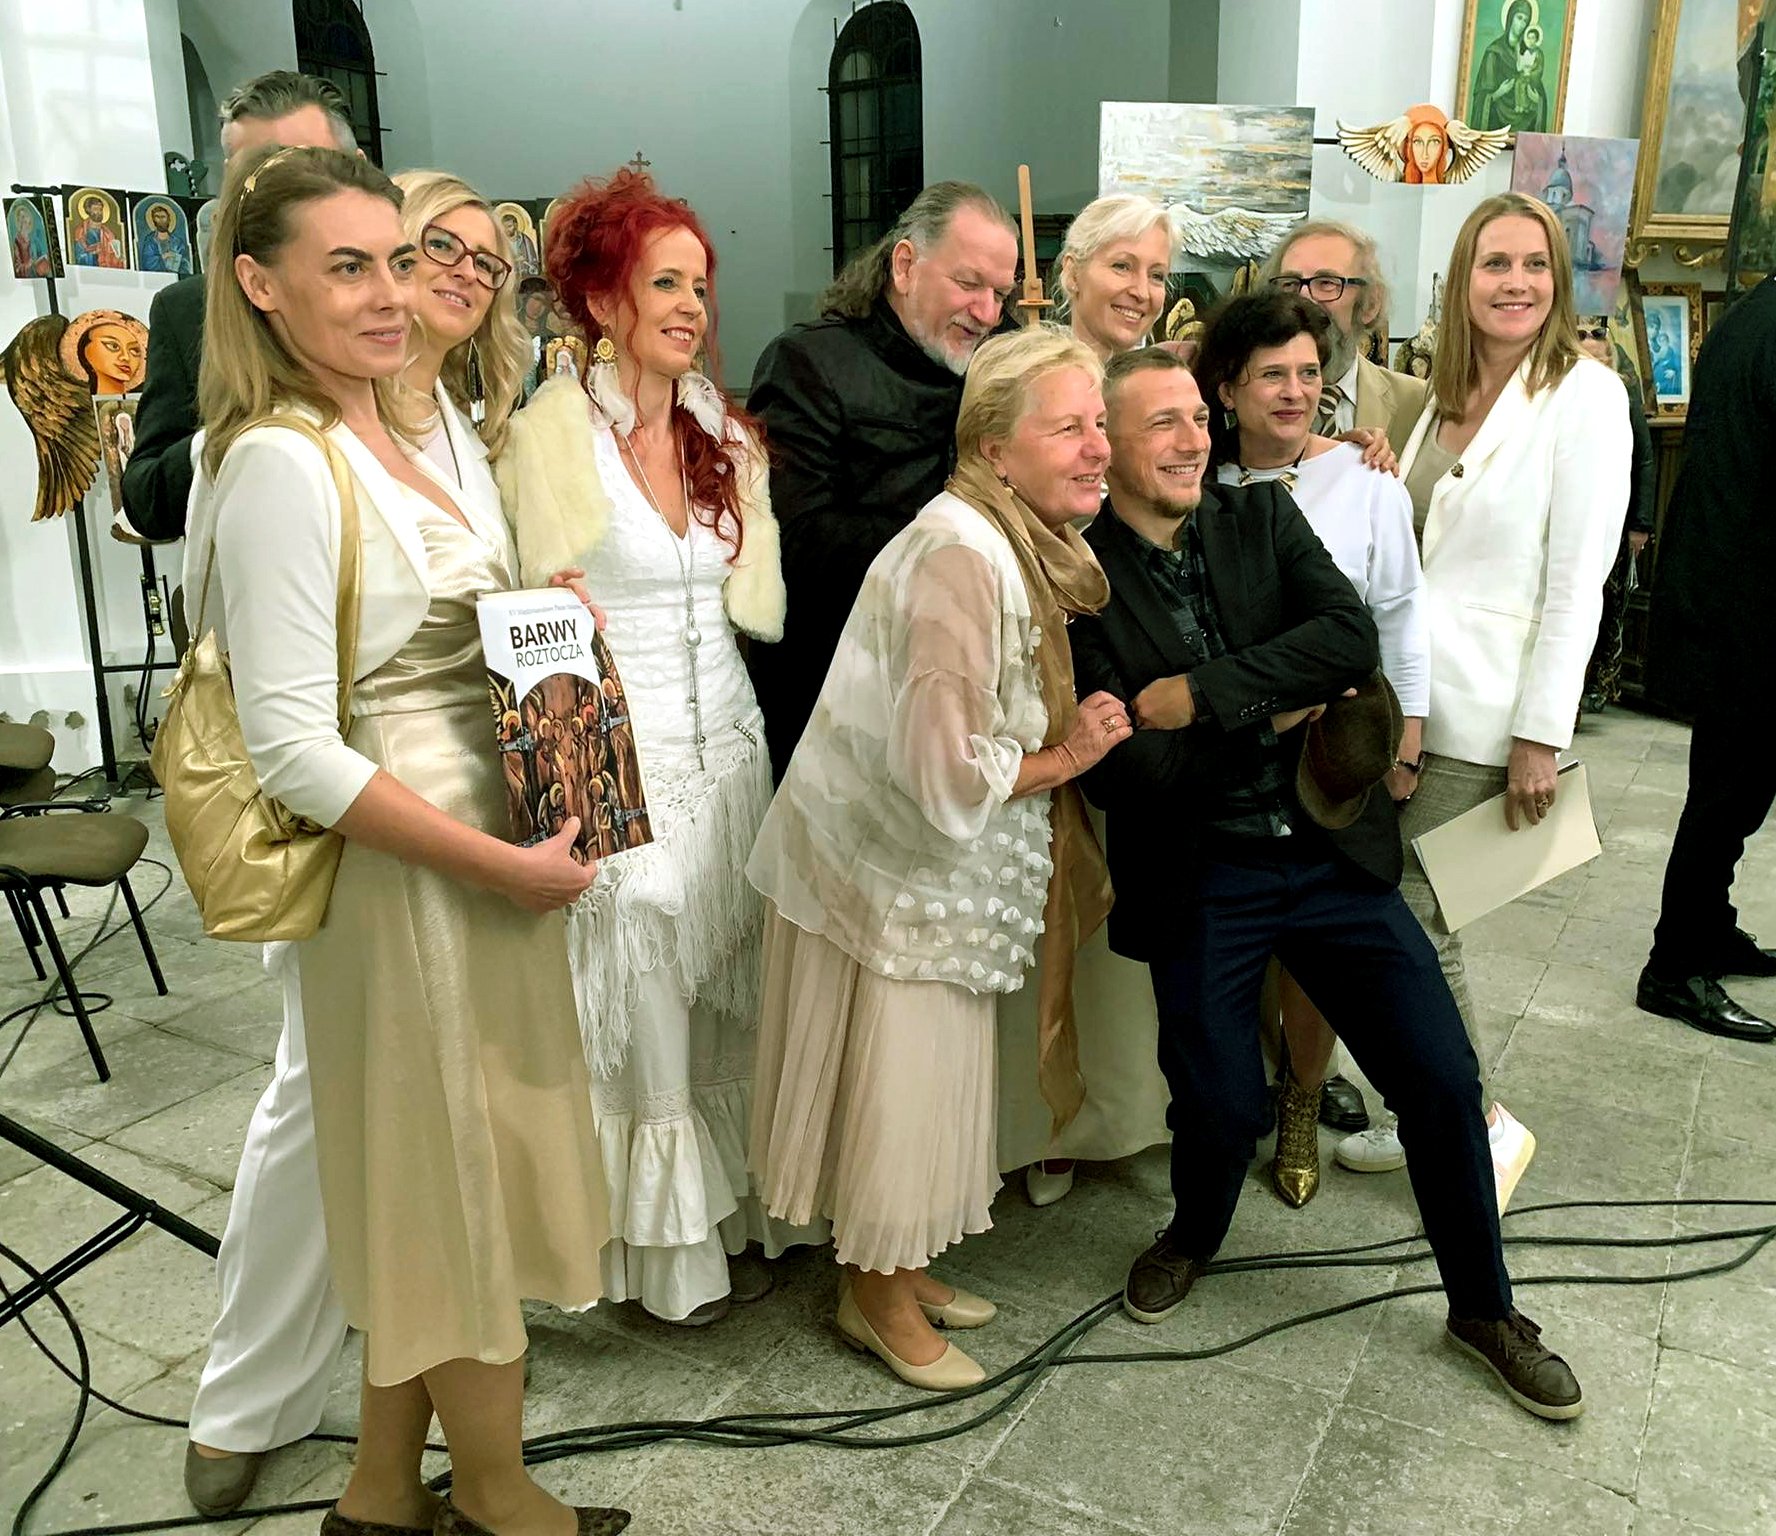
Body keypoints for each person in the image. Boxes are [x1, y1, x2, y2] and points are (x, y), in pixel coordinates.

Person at [184, 143, 627, 1536]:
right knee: (447, 1189)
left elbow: (457, 629)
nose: (389, 292)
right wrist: (502, 867)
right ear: (261, 287)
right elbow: (294, 750)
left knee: (440, 1182)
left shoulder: (415, 429)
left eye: (396, 259)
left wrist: (550, 626)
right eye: (347, 267)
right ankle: (498, 1498)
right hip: (411, 874)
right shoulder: (277, 462)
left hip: (480, 843)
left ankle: (380, 1495)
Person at [1073, 345, 1583, 1422]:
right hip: (1202, 874)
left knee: (1440, 1079)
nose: (1191, 440)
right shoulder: (1083, 580)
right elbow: (1128, 774)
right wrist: (1278, 704)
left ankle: (1484, 1309)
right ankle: (1192, 1235)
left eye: (1194, 418)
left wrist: (1202, 696)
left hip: (1327, 854)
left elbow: (1350, 642)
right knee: (1220, 1109)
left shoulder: (1262, 516)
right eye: (1159, 423)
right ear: (1106, 444)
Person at [748, 325, 1130, 1391]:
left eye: (1100, 422)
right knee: (901, 1090)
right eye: (1069, 427)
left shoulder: (998, 535)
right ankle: (873, 1298)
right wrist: (1068, 756)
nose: (1099, 447)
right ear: (995, 449)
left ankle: (897, 1266)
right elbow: (940, 768)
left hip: (917, 872)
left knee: (922, 1081)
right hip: (893, 876)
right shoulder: (963, 554)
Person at [496, 168, 818, 1327]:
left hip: (729, 743)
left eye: (699, 284)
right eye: (663, 283)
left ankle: (735, 1215)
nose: (690, 306)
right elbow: (525, 630)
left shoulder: (723, 433)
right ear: (599, 298)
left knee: (730, 984)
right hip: (611, 753)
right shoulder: (548, 436)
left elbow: (750, 599)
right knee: (645, 988)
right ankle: (669, 1257)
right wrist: (567, 796)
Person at [1360, 193, 1629, 1196]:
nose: (1515, 283)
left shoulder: (1583, 395)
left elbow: (1577, 580)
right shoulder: (1443, 392)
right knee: (1403, 912)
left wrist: (1540, 734)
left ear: (1559, 282)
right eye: (1494, 264)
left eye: (1535, 264)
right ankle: (1428, 1109)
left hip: (1487, 706)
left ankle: (1473, 1125)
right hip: (1404, 699)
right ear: (1460, 281)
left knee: (1413, 914)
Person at [1194, 291, 1426, 1207]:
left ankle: (1300, 1099)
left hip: (1336, 745)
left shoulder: (1367, 480)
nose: (1295, 392)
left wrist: (1407, 741)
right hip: (1229, 747)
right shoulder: (1196, 478)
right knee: (1232, 935)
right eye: (1271, 375)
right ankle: (1238, 1096)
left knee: (1314, 949)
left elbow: (1399, 612)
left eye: (1307, 374)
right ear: (1227, 389)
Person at [1000, 193, 1176, 1208]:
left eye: (1155, 272)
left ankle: (1121, 1108)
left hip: (1135, 662)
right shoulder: (1026, 367)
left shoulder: (1160, 376)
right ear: (1070, 272)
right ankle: (1045, 1120)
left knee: (1120, 903)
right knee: (1047, 896)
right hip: (1043, 656)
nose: (1140, 289)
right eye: (1121, 266)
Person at [745, 181, 1019, 778]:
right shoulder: (809, 362)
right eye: (969, 284)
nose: (987, 313)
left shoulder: (1000, 363)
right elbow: (800, 542)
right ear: (905, 265)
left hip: (964, 688)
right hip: (839, 693)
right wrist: (958, 547)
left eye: (1001, 293)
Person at [120, 69, 357, 546]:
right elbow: (147, 501)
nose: (284, 193)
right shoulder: (189, 309)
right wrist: (240, 433)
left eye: (308, 165)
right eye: (258, 174)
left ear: (358, 168)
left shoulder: (407, 295)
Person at [1637, 273, 1776, 1043]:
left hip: (1734, 594)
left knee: (1735, 791)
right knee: (1725, 796)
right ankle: (1674, 966)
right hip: (1748, 605)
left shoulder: (1751, 312)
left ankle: (1710, 929)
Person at [1260, 219, 1428, 447]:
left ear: (1370, 304)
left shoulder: (1417, 404)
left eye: (1326, 283)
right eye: (1290, 284)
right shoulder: (1244, 401)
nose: (1304, 298)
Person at [1577, 316, 1655, 713]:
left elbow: (1644, 460)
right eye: (1581, 336)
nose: (1590, 341)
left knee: (1606, 606)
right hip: (1574, 514)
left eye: (1597, 336)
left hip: (1614, 517)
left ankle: (1596, 684)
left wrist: (1641, 523)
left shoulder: (1623, 397)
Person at [1054, 193, 1174, 361]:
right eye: (1122, 266)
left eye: (1156, 276)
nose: (1142, 293)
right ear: (1073, 273)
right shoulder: (1032, 375)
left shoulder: (1175, 375)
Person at [1472, 0, 1546, 134]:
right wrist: (1498, 93)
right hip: (1496, 125)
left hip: (1525, 126)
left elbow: (1539, 91)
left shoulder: (1531, 54)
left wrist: (1537, 100)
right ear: (1510, 17)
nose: (1522, 24)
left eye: (1525, 21)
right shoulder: (1494, 52)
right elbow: (1480, 96)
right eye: (1519, 18)